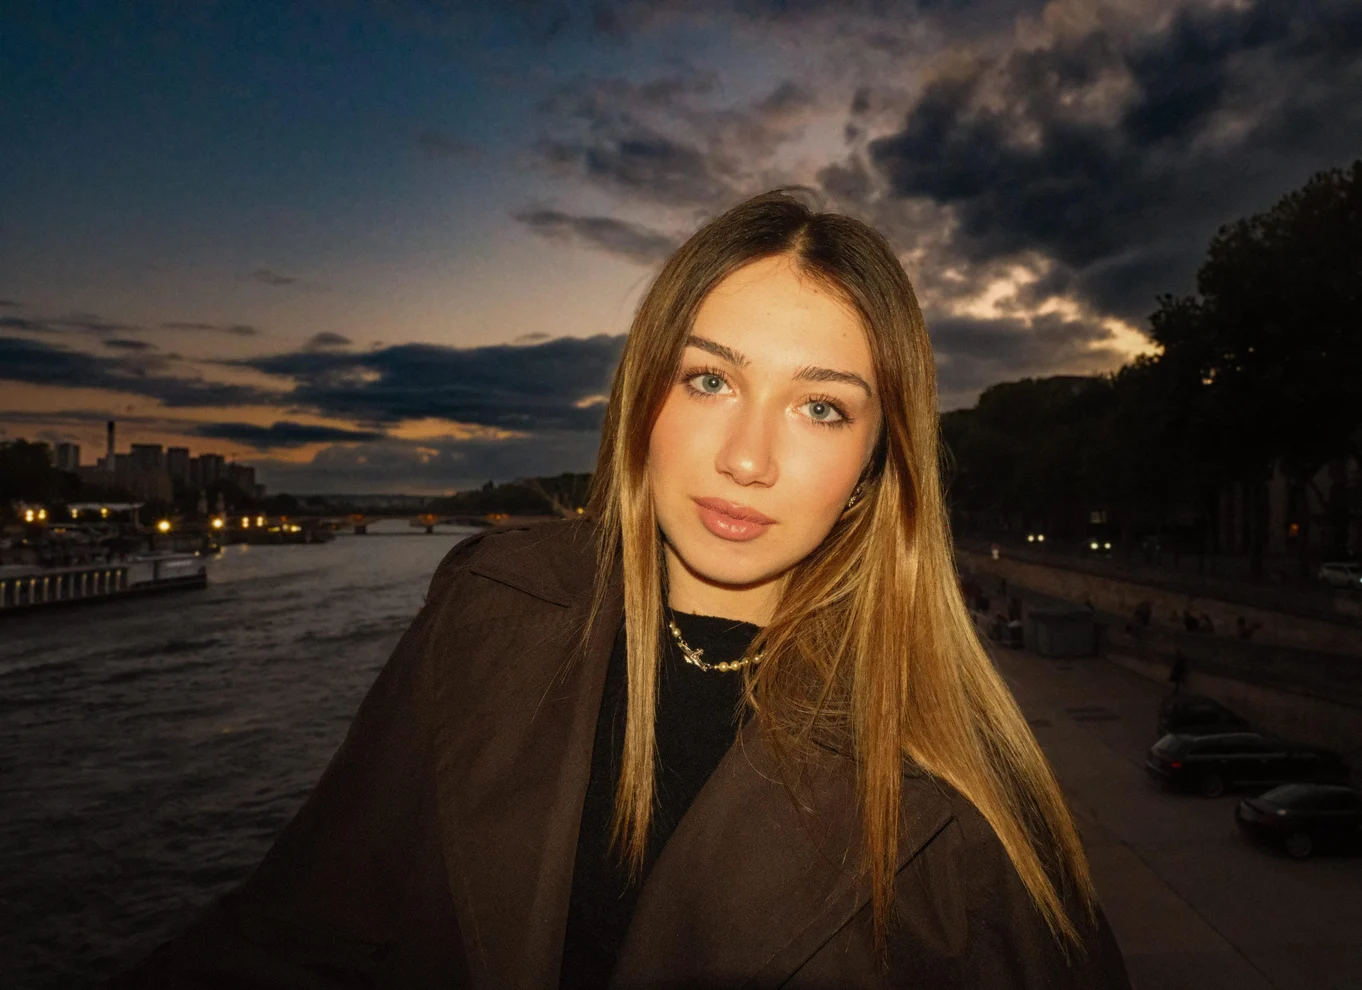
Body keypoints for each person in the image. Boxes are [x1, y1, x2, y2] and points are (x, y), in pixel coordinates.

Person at [111, 191, 1130, 988]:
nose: (746, 458)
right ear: (643, 396)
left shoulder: (963, 810)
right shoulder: (490, 609)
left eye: (820, 407)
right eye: (710, 380)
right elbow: (295, 936)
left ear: (876, 462)